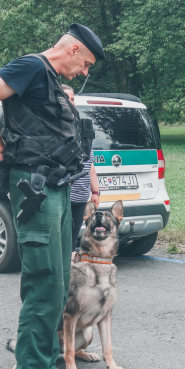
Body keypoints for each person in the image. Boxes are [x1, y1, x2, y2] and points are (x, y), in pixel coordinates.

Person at [0, 23, 105, 369]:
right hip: (35, 187)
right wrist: (2, 147)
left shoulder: (50, 79)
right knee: (43, 285)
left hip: (58, 187)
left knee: (59, 286)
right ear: (73, 49)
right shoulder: (29, 66)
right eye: (87, 63)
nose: (85, 72)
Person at [64, 84, 100, 249]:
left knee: (71, 242)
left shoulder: (82, 128)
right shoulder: (54, 128)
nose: (70, 103)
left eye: (72, 99)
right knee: (59, 242)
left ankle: (69, 273)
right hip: (62, 198)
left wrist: (95, 192)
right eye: (65, 98)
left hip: (80, 198)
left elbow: (89, 163)